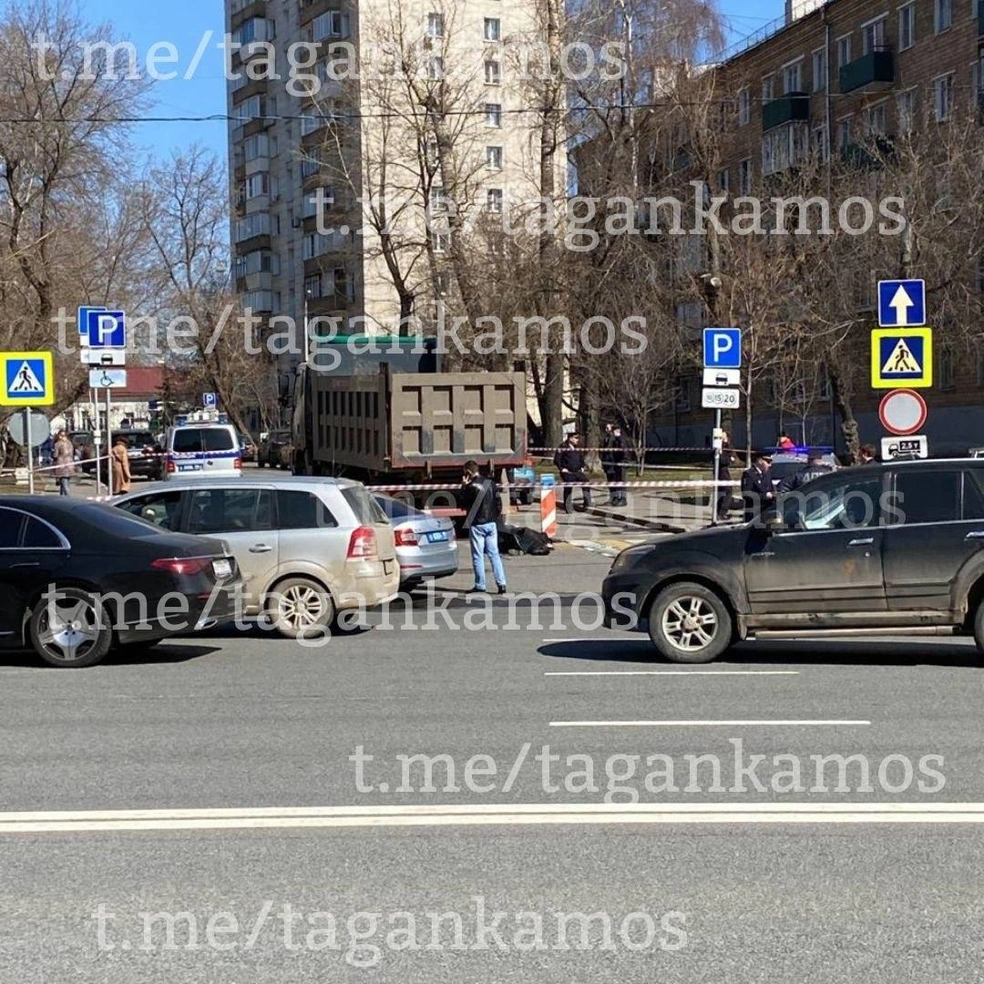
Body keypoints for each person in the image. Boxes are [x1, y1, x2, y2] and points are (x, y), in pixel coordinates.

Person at [459, 459, 507, 594]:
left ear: (468, 472)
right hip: (491, 523)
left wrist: (463, 486)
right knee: (494, 554)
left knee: (478, 555)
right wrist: (495, 517)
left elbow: (462, 503)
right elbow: (498, 502)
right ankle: (501, 583)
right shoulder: (490, 482)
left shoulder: (471, 486)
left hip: (477, 524)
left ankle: (480, 585)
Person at [554, 432, 591, 513]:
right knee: (569, 486)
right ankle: (568, 507)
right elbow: (557, 460)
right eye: (575, 438)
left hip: (577, 471)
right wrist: (562, 468)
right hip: (568, 472)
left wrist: (582, 466)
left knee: (586, 482)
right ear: (570, 438)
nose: (577, 440)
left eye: (577, 438)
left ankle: (587, 504)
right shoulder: (563, 447)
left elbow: (581, 458)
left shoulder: (577, 447)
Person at [741, 450, 774, 524]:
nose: (770, 465)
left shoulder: (767, 473)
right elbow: (746, 494)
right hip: (754, 513)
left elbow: (770, 488)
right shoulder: (749, 474)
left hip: (766, 511)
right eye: (768, 462)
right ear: (760, 460)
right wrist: (764, 496)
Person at [715, 432, 736, 522]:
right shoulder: (719, 446)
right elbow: (722, 460)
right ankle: (721, 512)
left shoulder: (725, 445)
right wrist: (729, 459)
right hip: (721, 471)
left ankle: (720, 513)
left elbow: (731, 453)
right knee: (728, 490)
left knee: (723, 491)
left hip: (723, 470)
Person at [51, 429, 75, 496]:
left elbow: (55, 455)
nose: (61, 437)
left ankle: (68, 497)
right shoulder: (70, 443)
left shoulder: (58, 444)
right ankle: (62, 496)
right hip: (70, 464)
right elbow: (72, 454)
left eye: (62, 435)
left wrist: (53, 455)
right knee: (65, 481)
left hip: (61, 464)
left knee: (64, 481)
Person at [610, 426, 628, 507]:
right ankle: (618, 497)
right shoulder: (616, 440)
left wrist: (624, 461)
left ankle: (623, 499)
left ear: (618, 431)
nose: (613, 433)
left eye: (614, 431)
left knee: (621, 480)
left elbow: (624, 452)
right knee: (617, 480)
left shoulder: (621, 440)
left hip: (621, 463)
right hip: (617, 463)